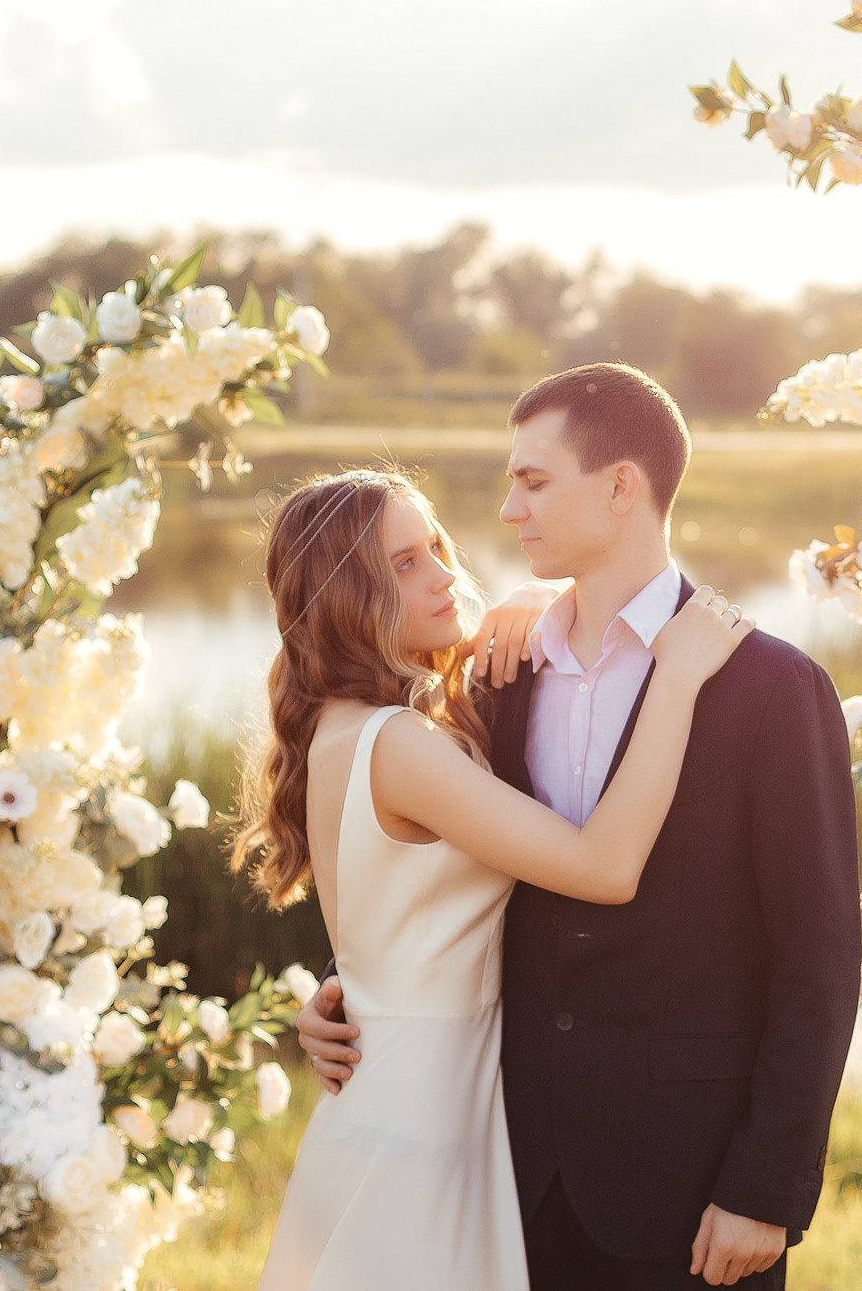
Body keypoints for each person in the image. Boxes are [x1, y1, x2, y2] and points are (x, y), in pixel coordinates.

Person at [298, 364, 862, 1289]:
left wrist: (768, 1186)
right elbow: (443, 860)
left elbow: (821, 960)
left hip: (691, 1185)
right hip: (508, 1175)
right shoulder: (494, 674)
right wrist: (345, 988)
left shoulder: (770, 686)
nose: (508, 510)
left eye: (533, 480)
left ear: (620, 487)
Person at [236, 467, 755, 1289]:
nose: (443, 574)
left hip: (413, 1092)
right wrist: (677, 677)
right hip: (421, 1119)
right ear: (346, 597)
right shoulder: (399, 745)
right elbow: (604, 867)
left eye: (437, 547)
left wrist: (534, 603)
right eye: (405, 563)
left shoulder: (351, 725)